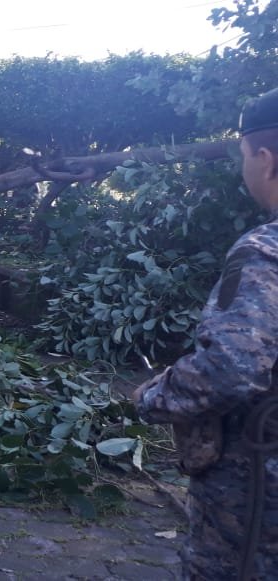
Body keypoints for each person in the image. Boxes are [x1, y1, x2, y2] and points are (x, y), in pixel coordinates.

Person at [134, 88, 278, 580]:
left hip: (258, 493)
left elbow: (230, 369)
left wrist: (156, 395)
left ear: (264, 159)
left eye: (243, 157)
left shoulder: (266, 252)